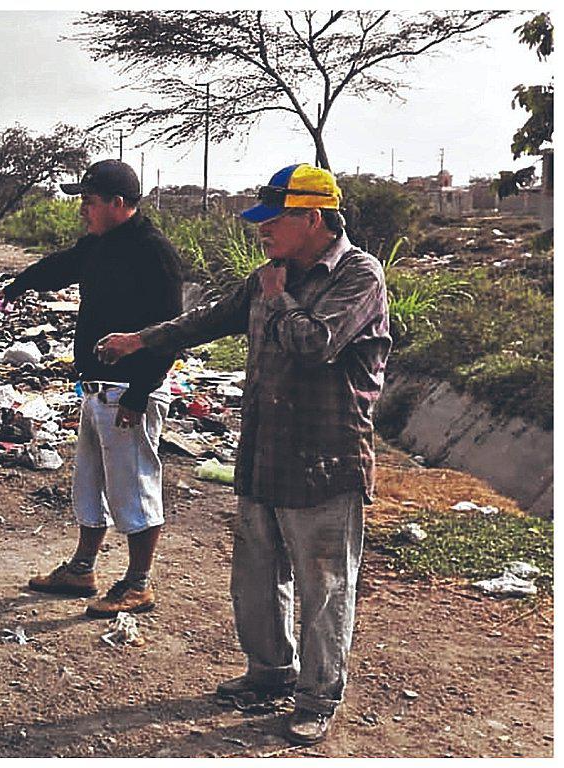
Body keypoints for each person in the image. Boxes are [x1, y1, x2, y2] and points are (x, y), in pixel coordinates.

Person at [96, 163, 390, 745]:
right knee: (256, 576)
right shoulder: (270, 275)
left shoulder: (359, 275)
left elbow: (315, 344)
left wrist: (279, 301)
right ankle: (269, 672)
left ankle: (317, 696)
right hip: (264, 450)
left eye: (272, 220)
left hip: (326, 460)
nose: (262, 231)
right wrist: (141, 340)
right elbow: (210, 318)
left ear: (312, 218)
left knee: (323, 586)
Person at [0, 159, 184, 617]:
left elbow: (169, 332)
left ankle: (138, 583)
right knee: (91, 484)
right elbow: (62, 266)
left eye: (90, 201)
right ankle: (82, 568)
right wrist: (17, 286)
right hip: (99, 388)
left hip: (129, 392)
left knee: (135, 487)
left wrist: (140, 396)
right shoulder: (102, 243)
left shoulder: (153, 252)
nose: (83, 209)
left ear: (118, 204)